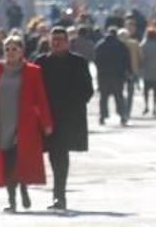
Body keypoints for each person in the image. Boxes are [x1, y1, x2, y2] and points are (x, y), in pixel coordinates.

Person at [0, 36, 52, 213]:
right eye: (7, 49)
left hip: (24, 126)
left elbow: (41, 99)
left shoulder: (33, 71)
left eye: (14, 49)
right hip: (2, 124)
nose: (10, 53)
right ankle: (12, 200)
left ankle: (23, 188)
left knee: (20, 160)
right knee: (7, 163)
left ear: (22, 52)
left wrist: (46, 122)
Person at [34, 27, 94, 210]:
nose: (57, 42)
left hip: (68, 117)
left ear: (67, 42)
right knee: (53, 154)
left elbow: (87, 90)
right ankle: (29, 192)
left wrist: (73, 105)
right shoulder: (41, 62)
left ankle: (59, 195)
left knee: (60, 154)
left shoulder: (78, 62)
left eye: (60, 39)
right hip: (47, 116)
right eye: (54, 39)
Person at [93, 28, 131, 126]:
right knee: (119, 96)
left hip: (103, 75)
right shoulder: (121, 45)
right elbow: (127, 60)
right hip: (118, 75)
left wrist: (100, 70)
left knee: (103, 97)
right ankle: (122, 115)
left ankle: (102, 116)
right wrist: (128, 72)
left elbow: (96, 60)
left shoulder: (100, 45)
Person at [117, 28, 142, 120]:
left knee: (119, 92)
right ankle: (127, 111)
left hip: (120, 72)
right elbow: (141, 57)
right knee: (130, 92)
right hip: (133, 71)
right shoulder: (134, 43)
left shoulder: (117, 45)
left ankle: (123, 110)